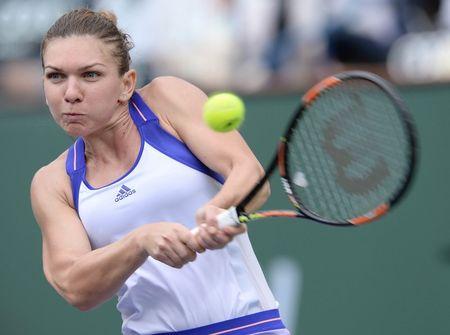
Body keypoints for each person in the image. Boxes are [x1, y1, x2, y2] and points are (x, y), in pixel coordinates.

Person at [30, 8, 290, 335]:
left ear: (127, 84)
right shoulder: (53, 183)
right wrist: (140, 241)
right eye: (56, 76)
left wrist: (216, 209)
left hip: (249, 327)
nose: (70, 93)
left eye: (90, 75)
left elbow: (249, 175)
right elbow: (74, 285)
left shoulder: (166, 99)